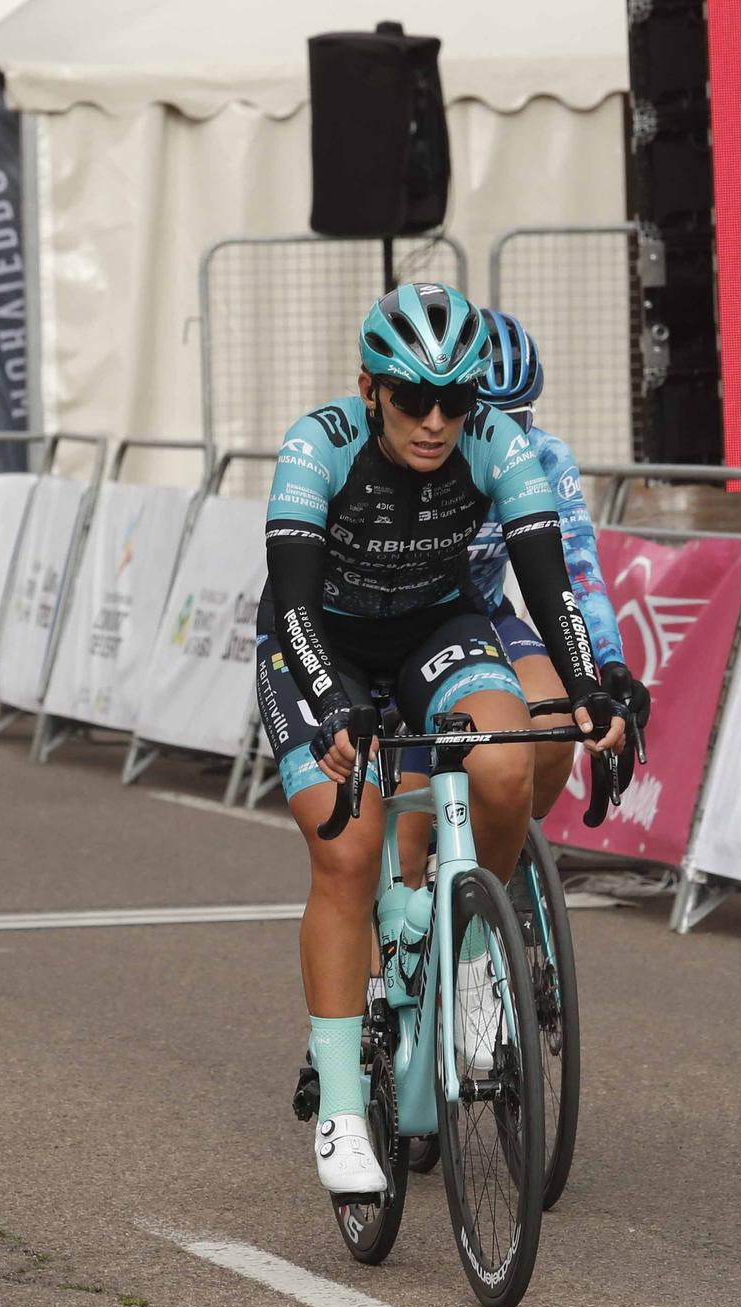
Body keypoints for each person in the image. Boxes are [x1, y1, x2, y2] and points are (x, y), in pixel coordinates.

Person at [255, 282, 633, 1196]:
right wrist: (334, 700)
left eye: (456, 401)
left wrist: (591, 684)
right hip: (321, 643)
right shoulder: (319, 445)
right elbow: (295, 603)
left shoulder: (502, 445)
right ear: (369, 387)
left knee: (510, 763)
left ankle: (468, 968)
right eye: (413, 399)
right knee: (348, 852)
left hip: (436, 629)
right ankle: (344, 1107)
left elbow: (554, 587)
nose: (435, 422)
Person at [442, 309, 648, 822]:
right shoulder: (425, 453)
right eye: (490, 421)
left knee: (556, 724)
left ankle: (506, 874)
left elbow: (576, 569)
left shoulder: (545, 456)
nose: (507, 440)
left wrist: (610, 665)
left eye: (520, 420)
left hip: (487, 614)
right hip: (410, 622)